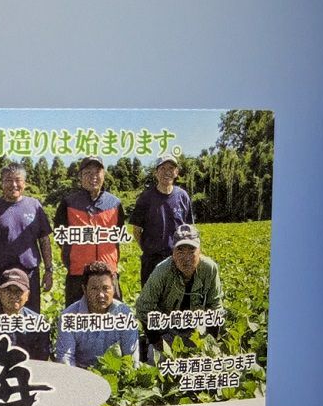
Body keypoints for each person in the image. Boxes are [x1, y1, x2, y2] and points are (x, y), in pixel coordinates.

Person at [135, 224, 224, 362]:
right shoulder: (162, 270)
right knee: (157, 363)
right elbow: (143, 308)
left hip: (195, 327)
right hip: (165, 329)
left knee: (209, 363)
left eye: (191, 250)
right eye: (180, 250)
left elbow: (215, 306)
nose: (186, 257)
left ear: (199, 251)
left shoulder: (209, 268)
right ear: (173, 252)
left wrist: (211, 342)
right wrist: (156, 341)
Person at [0, 163, 54, 311]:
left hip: (29, 273)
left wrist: (49, 270)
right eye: (8, 180)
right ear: (1, 183)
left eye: (18, 180)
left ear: (25, 183)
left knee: (30, 316)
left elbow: (44, 240)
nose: (14, 185)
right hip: (1, 274)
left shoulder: (34, 206)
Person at [53, 155, 126, 305]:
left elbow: (118, 235)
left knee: (113, 315)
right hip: (78, 273)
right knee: (76, 315)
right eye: (88, 173)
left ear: (104, 175)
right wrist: (75, 254)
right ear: (80, 176)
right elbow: (60, 236)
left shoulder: (115, 203)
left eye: (97, 172)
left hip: (108, 272)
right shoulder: (68, 203)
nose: (93, 176)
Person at [55, 261, 139, 369]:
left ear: (114, 289)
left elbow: (131, 359)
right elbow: (65, 359)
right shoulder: (69, 317)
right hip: (81, 374)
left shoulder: (125, 315)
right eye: (94, 289)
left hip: (114, 374)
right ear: (84, 289)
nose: (101, 295)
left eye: (106, 288)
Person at [128, 152, 194, 286]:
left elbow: (189, 229)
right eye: (162, 168)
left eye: (171, 168)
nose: (167, 172)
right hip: (151, 262)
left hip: (177, 260)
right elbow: (136, 231)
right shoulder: (145, 198)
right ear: (156, 173)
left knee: (177, 297)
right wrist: (149, 250)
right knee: (152, 297)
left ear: (176, 172)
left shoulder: (183, 196)